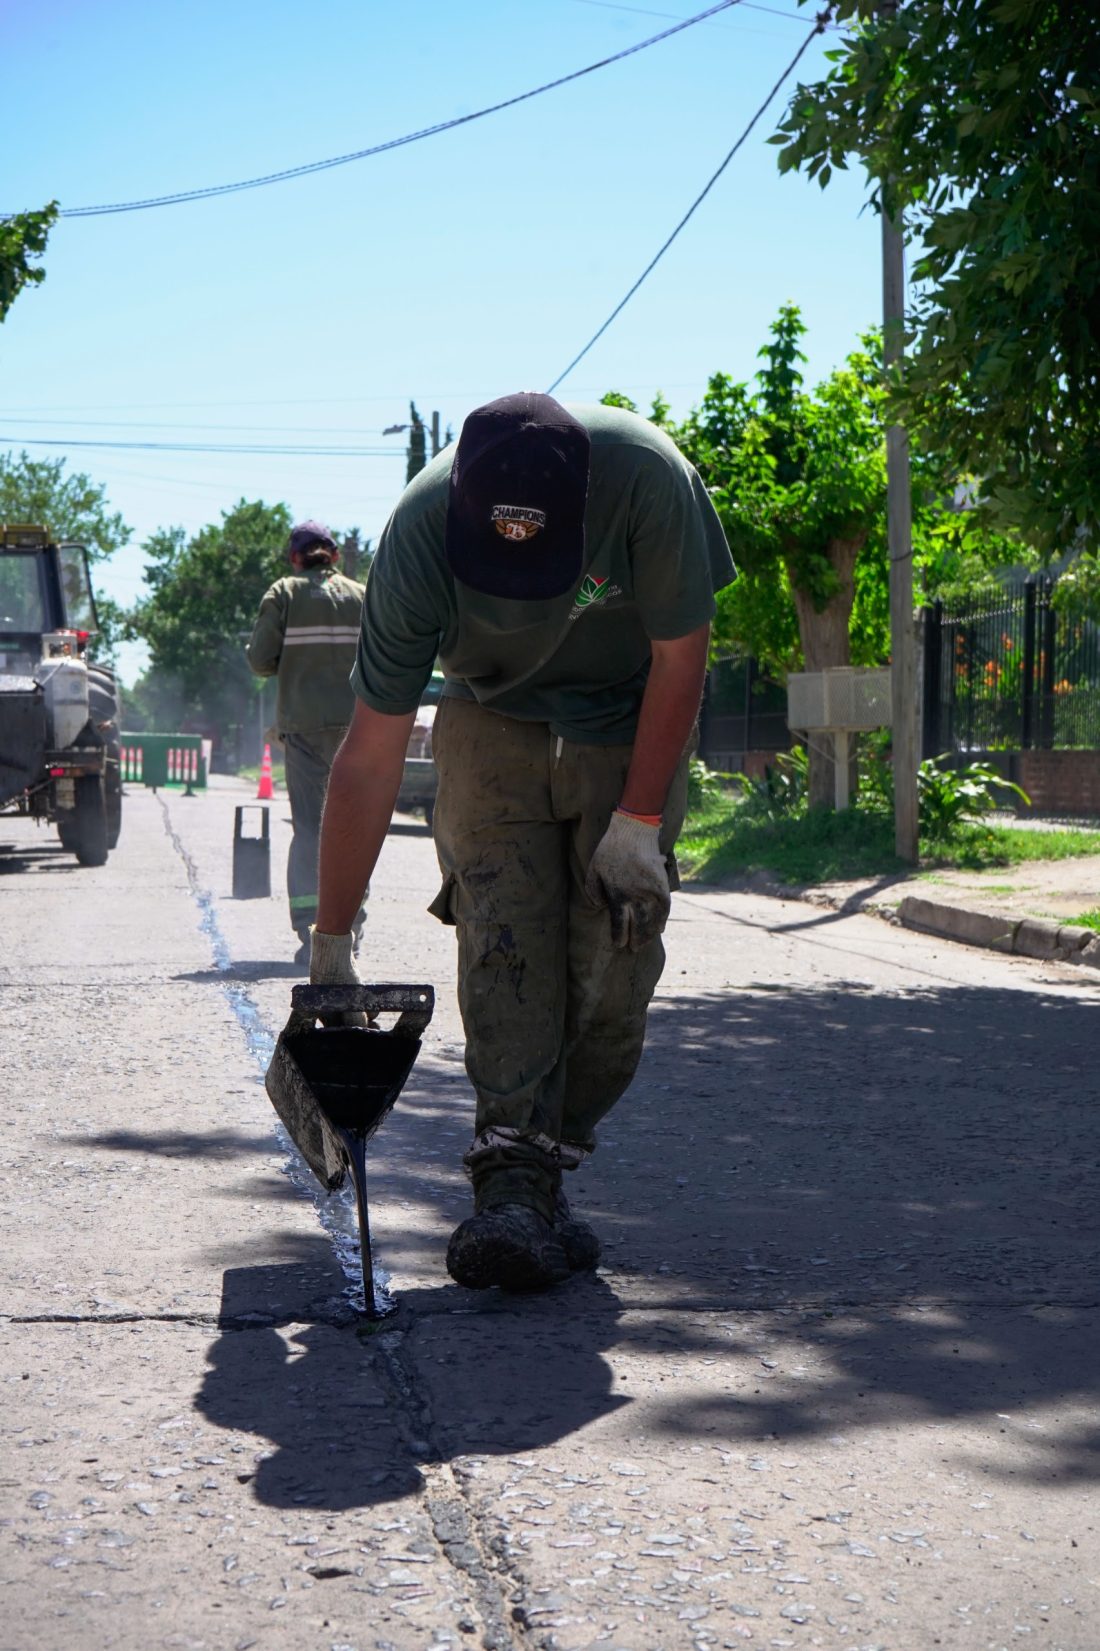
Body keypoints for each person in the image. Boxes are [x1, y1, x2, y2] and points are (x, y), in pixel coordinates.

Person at [309, 393, 734, 1292]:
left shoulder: (649, 483)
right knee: (504, 937)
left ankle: (548, 1163)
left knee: (615, 962)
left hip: (625, 719)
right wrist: (332, 942)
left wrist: (640, 822)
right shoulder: (418, 535)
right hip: (486, 721)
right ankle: (510, 1186)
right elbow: (371, 754)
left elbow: (682, 660)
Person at [246, 519, 367, 965]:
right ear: (333, 556)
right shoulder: (361, 595)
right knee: (355, 826)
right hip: (359, 728)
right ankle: (351, 929)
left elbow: (260, 661)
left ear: (296, 557)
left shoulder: (284, 593)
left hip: (304, 730)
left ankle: (310, 933)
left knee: (311, 831)